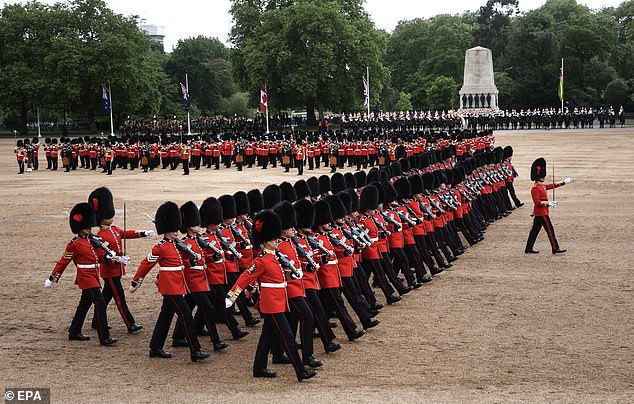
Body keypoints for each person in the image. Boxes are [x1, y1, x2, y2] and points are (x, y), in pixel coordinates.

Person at [225, 210, 317, 381]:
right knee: (287, 335)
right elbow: (244, 279)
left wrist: (292, 276)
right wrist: (230, 298)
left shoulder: (275, 256)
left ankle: (259, 368)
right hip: (271, 304)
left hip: (279, 302)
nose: (277, 240)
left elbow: (279, 278)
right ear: (265, 241)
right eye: (274, 238)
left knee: (267, 336)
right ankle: (301, 370)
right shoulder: (260, 260)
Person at [129, 201, 210, 361]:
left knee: (165, 316)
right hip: (169, 286)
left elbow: (182, 264)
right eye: (172, 229)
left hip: (178, 285)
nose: (175, 232)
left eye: (176, 228)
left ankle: (155, 347)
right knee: (186, 314)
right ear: (166, 229)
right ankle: (195, 351)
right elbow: (146, 264)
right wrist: (136, 282)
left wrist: (193, 260)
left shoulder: (176, 245)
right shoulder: (160, 247)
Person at [45, 202, 120, 346]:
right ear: (80, 228)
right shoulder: (74, 244)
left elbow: (98, 256)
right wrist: (52, 278)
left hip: (93, 274)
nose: (90, 230)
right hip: (85, 276)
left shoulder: (91, 241)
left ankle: (74, 331)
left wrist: (108, 257)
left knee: (84, 304)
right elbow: (63, 262)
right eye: (87, 227)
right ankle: (104, 337)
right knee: (100, 302)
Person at [88, 187, 150, 333]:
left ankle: (96, 321)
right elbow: (102, 257)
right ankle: (130, 324)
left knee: (106, 297)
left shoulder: (114, 229)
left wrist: (143, 233)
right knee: (120, 298)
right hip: (110, 272)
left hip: (116, 270)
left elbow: (127, 234)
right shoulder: (100, 235)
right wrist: (117, 260)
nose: (111, 217)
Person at [524, 158, 572, 254]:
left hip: (541, 213)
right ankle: (555, 248)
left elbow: (552, 185)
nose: (544, 177)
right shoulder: (535, 189)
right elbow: (537, 202)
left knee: (534, 232)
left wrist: (563, 182)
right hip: (542, 213)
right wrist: (548, 203)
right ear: (539, 177)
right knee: (550, 230)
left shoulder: (542, 186)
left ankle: (528, 248)